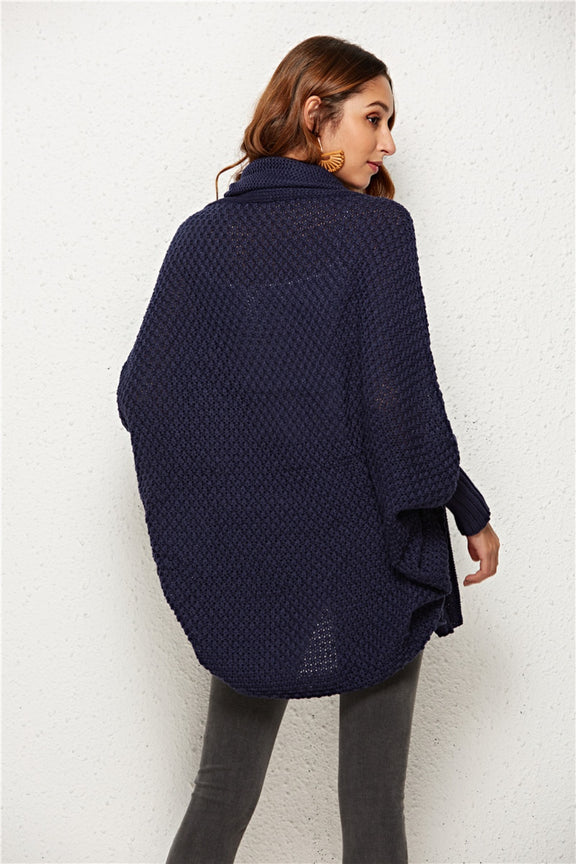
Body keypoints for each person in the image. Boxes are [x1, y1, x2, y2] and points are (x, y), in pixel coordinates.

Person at [116, 35, 500, 864]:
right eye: (375, 118)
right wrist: (468, 508)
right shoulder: (376, 232)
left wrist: (230, 495)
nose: (388, 142)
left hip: (253, 559)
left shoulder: (201, 239)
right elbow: (396, 405)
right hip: (369, 549)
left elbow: (143, 394)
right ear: (315, 113)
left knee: (221, 791)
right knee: (373, 803)